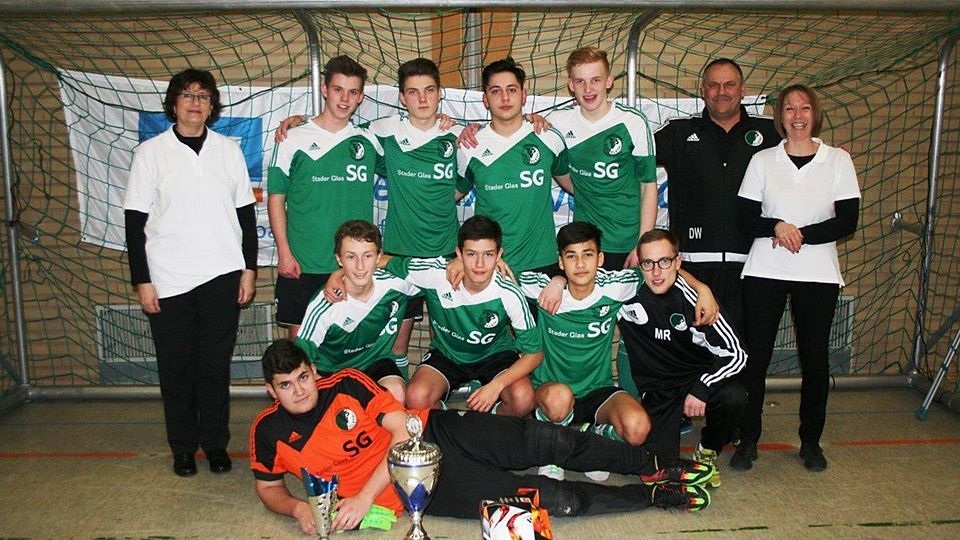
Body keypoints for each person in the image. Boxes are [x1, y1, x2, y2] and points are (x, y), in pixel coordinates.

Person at [249, 339, 715, 535]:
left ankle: (653, 463)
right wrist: (297, 509)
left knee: (546, 441)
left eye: (304, 378)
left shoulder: (346, 383)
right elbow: (268, 487)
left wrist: (359, 498)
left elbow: (398, 435)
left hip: (438, 433)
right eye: (286, 386)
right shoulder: (268, 433)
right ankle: (651, 496)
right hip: (422, 489)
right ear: (270, 390)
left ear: (313, 370)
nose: (299, 391)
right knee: (551, 500)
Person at [276, 58, 462, 375]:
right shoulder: (375, 133)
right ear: (402, 97)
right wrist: (299, 121)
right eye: (413, 92)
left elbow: (464, 178)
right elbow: (280, 191)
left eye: (429, 90)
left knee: (439, 339)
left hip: (425, 255)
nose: (421, 99)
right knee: (380, 348)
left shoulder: (453, 135)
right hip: (370, 256)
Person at [124, 68, 257, 477]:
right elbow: (134, 223)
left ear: (212, 105)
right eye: (187, 95)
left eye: (203, 95)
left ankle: (215, 445)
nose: (195, 102)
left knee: (214, 367)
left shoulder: (228, 151)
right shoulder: (151, 153)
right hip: (168, 279)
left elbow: (246, 216)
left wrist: (248, 269)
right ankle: (182, 447)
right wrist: (142, 280)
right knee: (176, 367)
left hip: (222, 275)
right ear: (174, 104)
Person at [520, 223, 719, 482]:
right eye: (572, 256)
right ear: (561, 262)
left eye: (588, 254)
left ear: (600, 259)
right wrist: (557, 282)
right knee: (559, 401)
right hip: (552, 389)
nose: (580, 264)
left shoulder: (617, 285)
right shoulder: (539, 287)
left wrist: (703, 289)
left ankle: (593, 437)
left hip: (597, 390)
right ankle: (553, 451)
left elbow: (661, 271)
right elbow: (495, 277)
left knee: (638, 429)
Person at [734, 84, 860, 472]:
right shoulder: (762, 161)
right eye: (789, 108)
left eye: (804, 108)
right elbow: (745, 218)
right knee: (754, 361)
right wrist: (776, 226)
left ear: (814, 114)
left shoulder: (838, 160)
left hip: (817, 274)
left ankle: (811, 442)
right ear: (780, 117)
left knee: (815, 360)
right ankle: (747, 440)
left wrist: (797, 234)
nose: (798, 115)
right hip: (764, 271)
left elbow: (847, 220)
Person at [653, 58, 781, 332]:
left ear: (743, 90)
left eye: (729, 85)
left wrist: (830, 156)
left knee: (746, 355)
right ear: (702, 90)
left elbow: (804, 153)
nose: (721, 91)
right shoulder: (678, 132)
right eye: (713, 85)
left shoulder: (771, 132)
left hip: (753, 266)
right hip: (693, 270)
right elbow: (631, 153)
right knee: (695, 354)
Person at [618, 229, 748, 488]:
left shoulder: (695, 299)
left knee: (735, 397)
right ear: (639, 266)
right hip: (659, 391)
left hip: (695, 378)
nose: (656, 272)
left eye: (664, 262)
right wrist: (559, 282)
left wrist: (702, 387)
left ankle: (708, 449)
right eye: (648, 263)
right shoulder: (624, 291)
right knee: (655, 472)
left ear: (678, 263)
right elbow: (583, 279)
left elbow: (738, 353)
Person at [268, 55, 383, 338]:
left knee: (350, 346)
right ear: (324, 90)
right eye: (338, 89)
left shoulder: (369, 140)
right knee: (301, 350)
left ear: (361, 97)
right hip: (303, 263)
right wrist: (284, 252)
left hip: (353, 266)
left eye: (353, 92)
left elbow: (410, 162)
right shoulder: (292, 137)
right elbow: (275, 198)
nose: (344, 99)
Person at [383, 216, 542, 417]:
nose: (479, 263)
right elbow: (382, 261)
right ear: (459, 254)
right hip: (448, 354)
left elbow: (535, 353)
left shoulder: (509, 292)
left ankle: (488, 421)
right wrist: (339, 275)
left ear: (499, 255)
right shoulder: (435, 275)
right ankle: (451, 423)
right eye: (471, 254)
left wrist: (496, 385)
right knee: (415, 398)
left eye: (488, 254)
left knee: (523, 399)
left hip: (494, 355)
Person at [456, 57, 574, 275]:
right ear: (485, 99)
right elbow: (448, 197)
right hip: (490, 266)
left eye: (511, 89)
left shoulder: (548, 138)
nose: (505, 97)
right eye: (495, 91)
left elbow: (576, 187)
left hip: (542, 263)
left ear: (523, 95)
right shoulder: (469, 146)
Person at [546, 47, 658, 270]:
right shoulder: (558, 122)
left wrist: (642, 245)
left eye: (595, 80)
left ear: (609, 81)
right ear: (571, 85)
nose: (588, 89)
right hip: (585, 245)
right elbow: (519, 134)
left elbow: (648, 186)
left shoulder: (632, 122)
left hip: (627, 244)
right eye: (580, 81)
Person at [295, 220, 419, 404]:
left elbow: (437, 274)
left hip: (374, 363)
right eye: (351, 257)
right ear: (339, 259)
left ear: (379, 257)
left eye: (367, 256)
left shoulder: (397, 284)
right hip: (333, 372)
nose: (360, 266)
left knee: (397, 393)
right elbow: (300, 360)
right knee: (344, 412)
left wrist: (457, 264)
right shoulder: (324, 305)